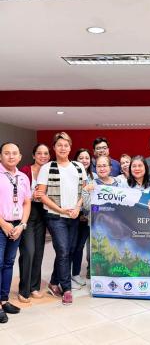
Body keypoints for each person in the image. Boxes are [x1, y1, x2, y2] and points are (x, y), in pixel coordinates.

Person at [37, 132, 87, 306]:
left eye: (66, 145)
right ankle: (66, 289)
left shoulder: (78, 166)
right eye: (59, 145)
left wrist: (78, 207)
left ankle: (53, 282)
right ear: (54, 148)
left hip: (73, 216)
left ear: (70, 147)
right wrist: (60, 209)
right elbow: (41, 194)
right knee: (64, 250)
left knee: (70, 250)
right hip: (55, 216)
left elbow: (85, 191)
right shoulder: (47, 167)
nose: (63, 148)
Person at [0, 143, 31, 323]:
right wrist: (3, 224)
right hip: (1, 224)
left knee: (9, 263)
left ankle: (4, 300)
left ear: (19, 156)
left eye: (14, 153)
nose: (11, 156)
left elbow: (26, 202)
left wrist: (22, 224)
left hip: (17, 226)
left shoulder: (22, 177)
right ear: (1, 156)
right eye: (6, 153)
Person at [18, 143, 50, 303]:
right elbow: (18, 193)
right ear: (33, 155)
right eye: (39, 153)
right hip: (27, 214)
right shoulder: (24, 171)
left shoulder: (51, 171)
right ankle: (24, 289)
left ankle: (34, 287)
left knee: (38, 252)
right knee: (28, 251)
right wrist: (32, 196)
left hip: (43, 214)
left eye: (45, 153)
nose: (43, 156)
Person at [71, 149, 94, 288]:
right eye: (81, 157)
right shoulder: (71, 174)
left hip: (87, 217)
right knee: (71, 246)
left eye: (87, 157)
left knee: (80, 246)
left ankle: (76, 274)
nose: (84, 160)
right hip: (72, 215)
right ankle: (68, 275)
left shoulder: (94, 176)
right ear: (76, 160)